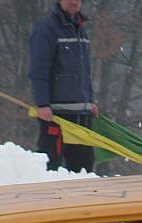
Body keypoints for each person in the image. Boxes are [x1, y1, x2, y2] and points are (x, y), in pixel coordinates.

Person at [29, 0, 99, 173]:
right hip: (56, 115)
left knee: (83, 170)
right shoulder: (46, 28)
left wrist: (90, 102)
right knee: (50, 167)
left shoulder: (81, 29)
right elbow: (38, 69)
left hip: (82, 116)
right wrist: (43, 104)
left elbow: (83, 72)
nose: (73, 2)